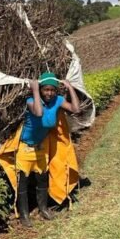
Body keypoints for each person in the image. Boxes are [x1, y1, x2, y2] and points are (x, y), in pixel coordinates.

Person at [16, 71, 81, 227]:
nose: (49, 93)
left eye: (52, 90)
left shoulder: (58, 100)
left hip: (41, 147)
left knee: (42, 180)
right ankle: (24, 215)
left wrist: (70, 88)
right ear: (41, 89)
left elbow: (76, 109)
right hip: (25, 148)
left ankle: (43, 209)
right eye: (46, 89)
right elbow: (39, 113)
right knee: (23, 182)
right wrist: (35, 90)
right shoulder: (31, 101)